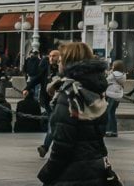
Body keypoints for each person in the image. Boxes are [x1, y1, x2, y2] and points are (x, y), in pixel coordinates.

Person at [38, 42, 115, 186]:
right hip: (95, 169)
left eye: (60, 60)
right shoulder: (96, 90)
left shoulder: (69, 95)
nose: (58, 63)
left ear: (68, 62)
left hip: (71, 173)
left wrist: (47, 173)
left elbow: (62, 145)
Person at [105, 60, 126, 137]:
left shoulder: (113, 74)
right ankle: (114, 131)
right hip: (118, 95)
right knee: (112, 113)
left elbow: (106, 80)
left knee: (108, 112)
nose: (112, 67)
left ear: (116, 67)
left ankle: (108, 130)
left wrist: (109, 73)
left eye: (113, 65)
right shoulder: (123, 75)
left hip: (111, 94)